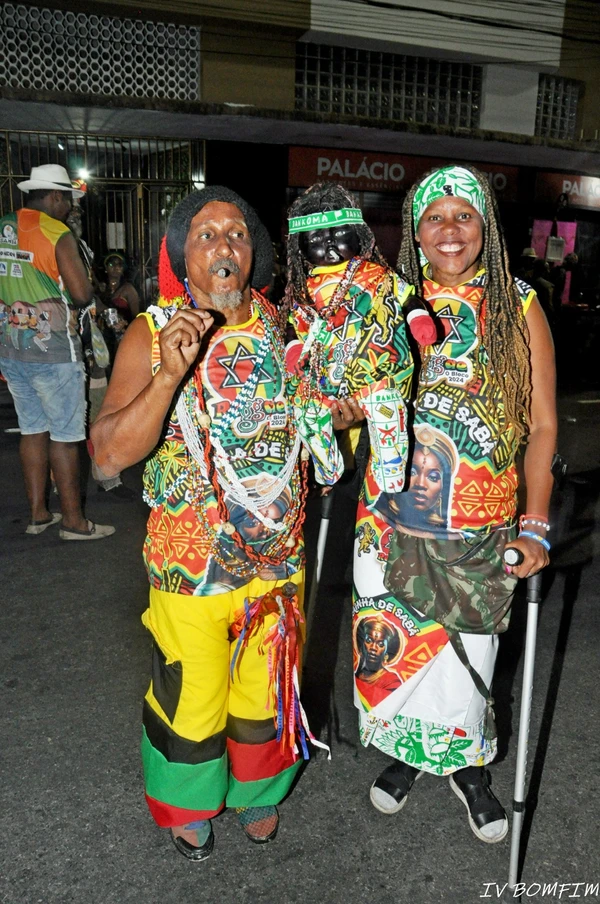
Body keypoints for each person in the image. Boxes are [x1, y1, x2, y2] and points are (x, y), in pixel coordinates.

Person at [91, 187, 322, 862]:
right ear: (181, 258)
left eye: (237, 234)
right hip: (190, 561)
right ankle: (185, 802)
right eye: (205, 235)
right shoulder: (153, 329)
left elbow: (320, 421)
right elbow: (107, 453)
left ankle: (259, 791)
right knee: (191, 693)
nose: (224, 245)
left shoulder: (286, 325)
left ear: (254, 252)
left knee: (266, 686)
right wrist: (167, 377)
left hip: (277, 556)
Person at [363, 164, 556, 844]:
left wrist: (535, 523)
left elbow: (543, 424)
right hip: (392, 514)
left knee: (470, 650)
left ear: (485, 229)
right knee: (399, 645)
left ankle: (468, 766)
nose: (450, 230)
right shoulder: (386, 303)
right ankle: (406, 756)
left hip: (480, 518)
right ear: (414, 231)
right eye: (435, 217)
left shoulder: (517, 303)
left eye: (464, 216)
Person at [0, 164, 114, 540]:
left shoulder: (3, 224)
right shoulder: (55, 232)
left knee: (32, 429)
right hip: (53, 352)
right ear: (54, 197)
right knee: (65, 435)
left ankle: (38, 515)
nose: (69, 210)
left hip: (11, 347)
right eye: (67, 201)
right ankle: (74, 523)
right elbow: (82, 295)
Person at [67, 200, 135, 500]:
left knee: (100, 415)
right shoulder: (65, 256)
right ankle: (71, 480)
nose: (78, 216)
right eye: (73, 213)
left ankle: (106, 476)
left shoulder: (78, 252)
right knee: (76, 421)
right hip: (73, 354)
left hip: (97, 358)